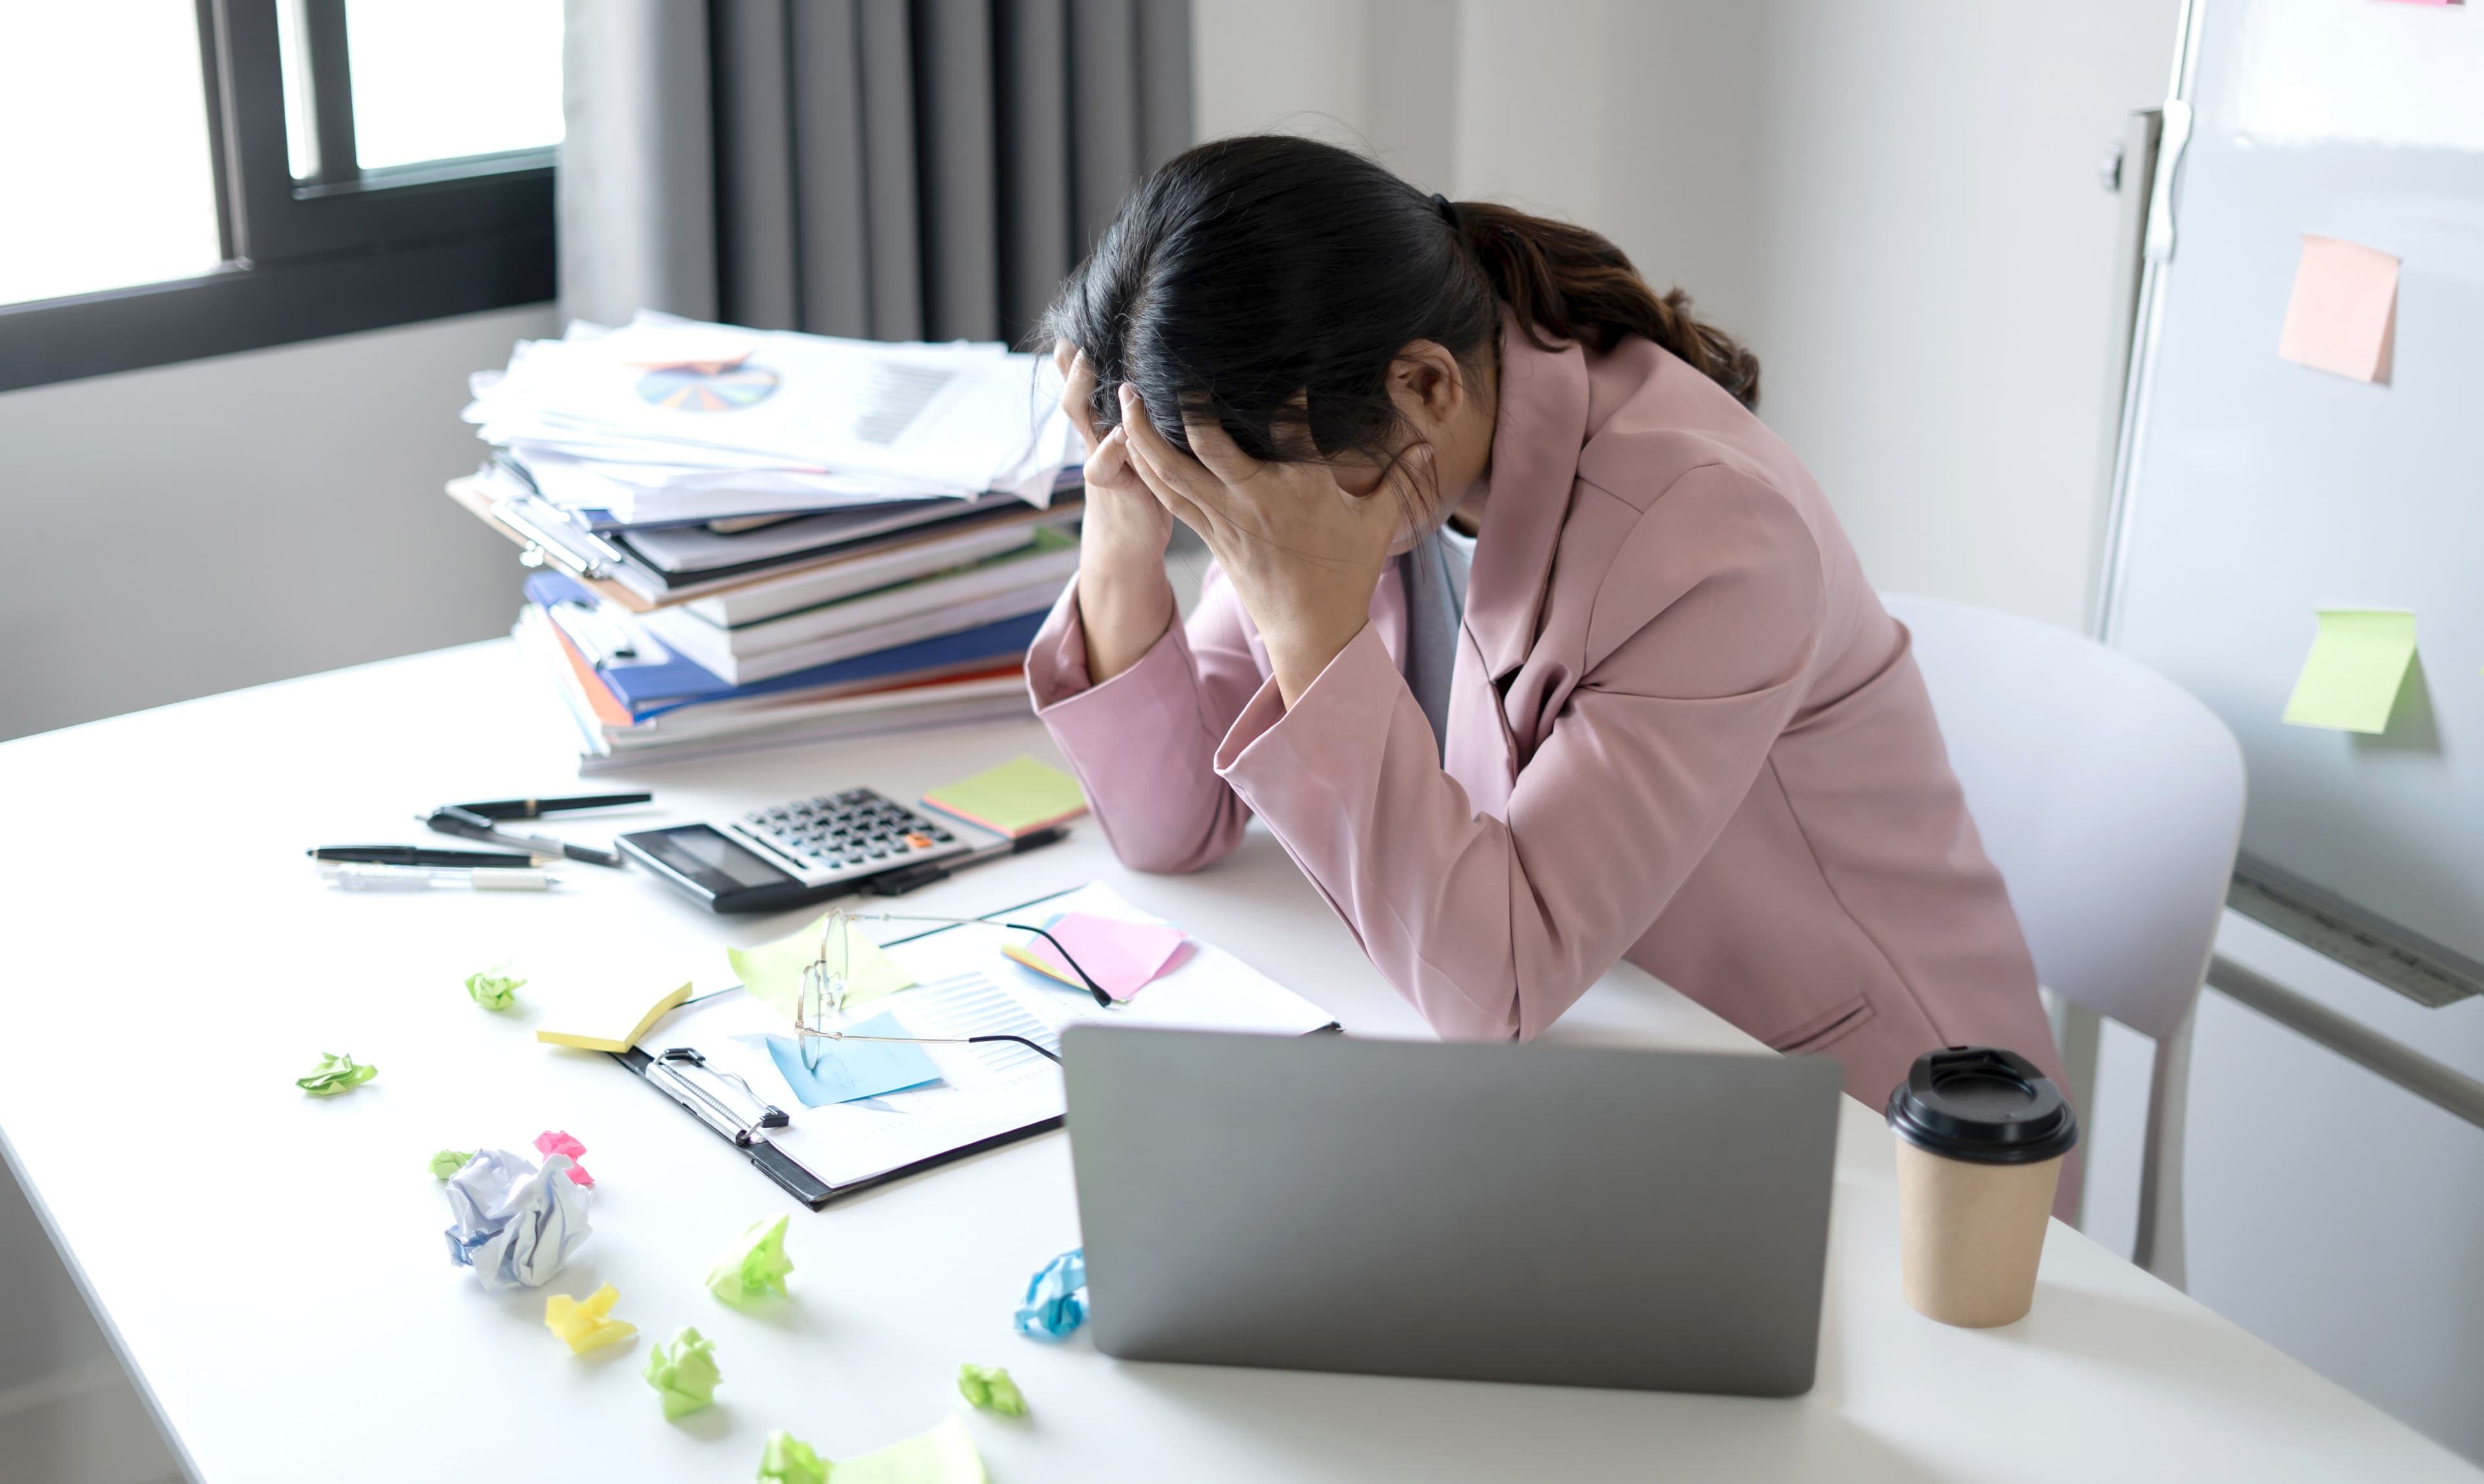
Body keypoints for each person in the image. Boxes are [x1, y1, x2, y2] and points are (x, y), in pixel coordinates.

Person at [1023, 134, 2069, 1192]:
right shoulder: (1353, 457)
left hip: (1880, 1138)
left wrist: (1309, 626)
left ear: (1427, 385)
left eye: (1237, 496)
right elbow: (1168, 826)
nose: (1234, 526)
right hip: (1613, 1072)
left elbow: (1497, 984)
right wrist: (1121, 532)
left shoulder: (1709, 532)